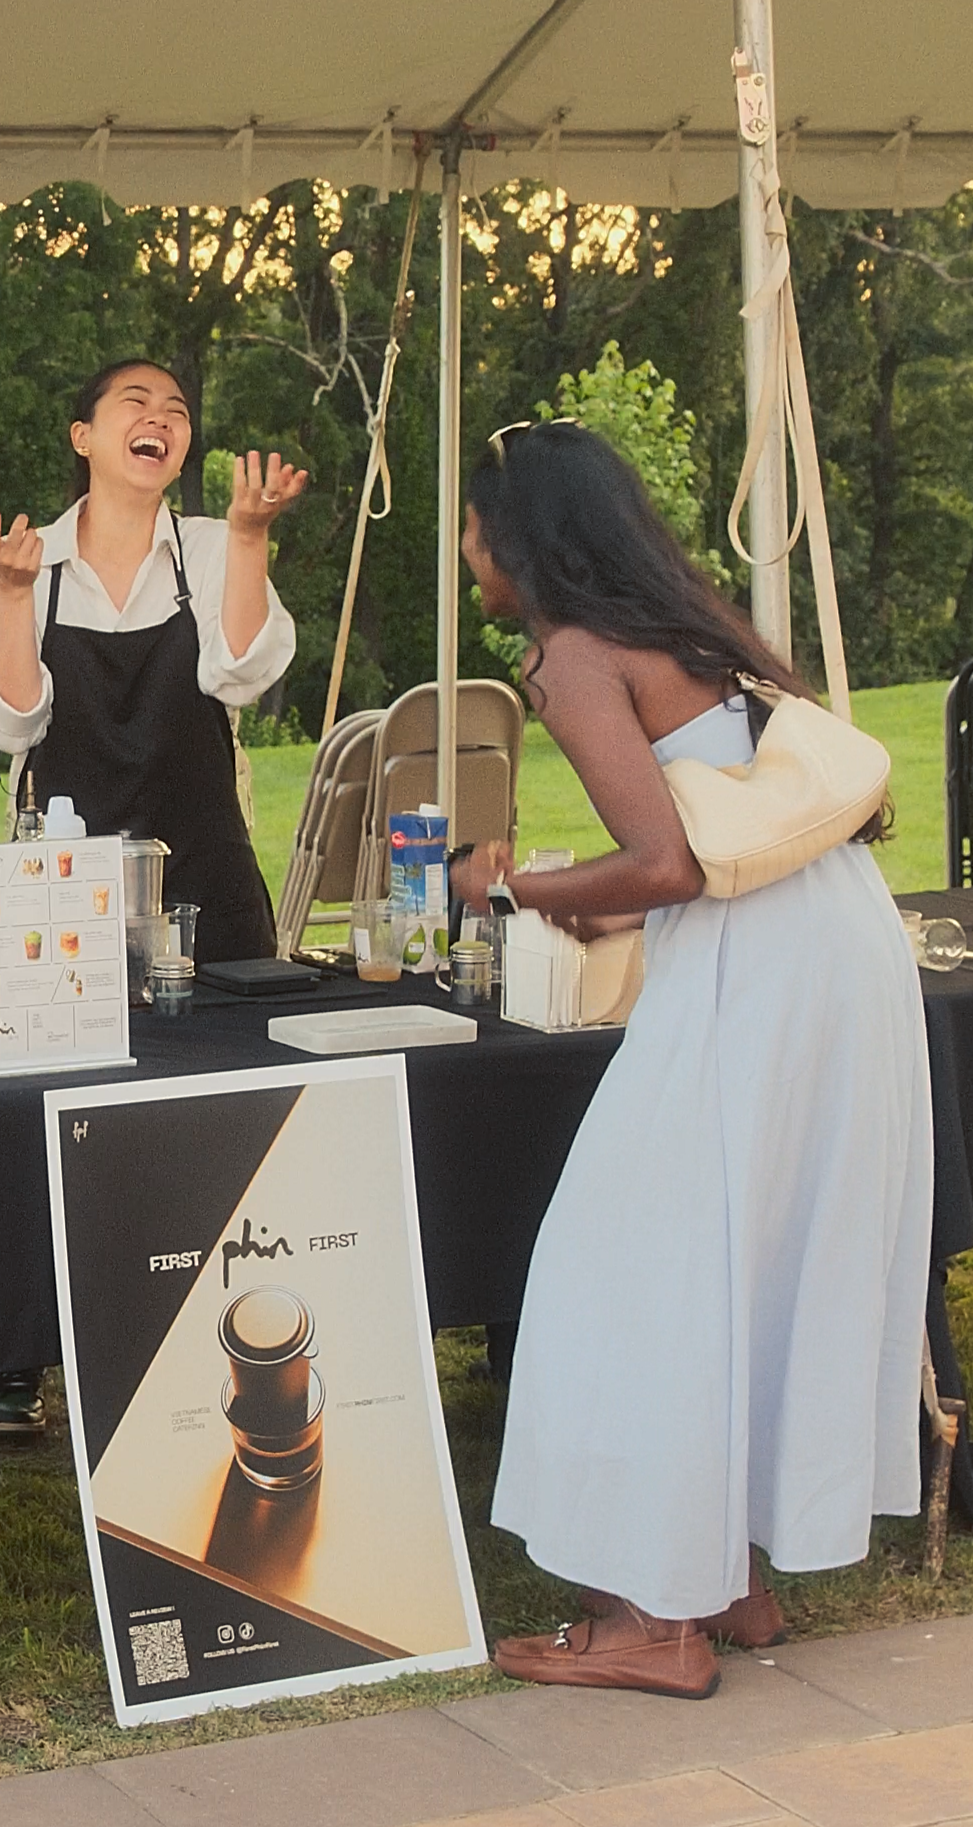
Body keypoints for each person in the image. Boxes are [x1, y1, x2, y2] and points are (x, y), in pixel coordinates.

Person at [450, 420, 932, 1699]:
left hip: (756, 972)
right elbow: (702, 847)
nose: (463, 553)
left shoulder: (568, 657)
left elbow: (664, 862)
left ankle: (647, 1621)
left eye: (470, 527)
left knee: (621, 1277)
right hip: (838, 944)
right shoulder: (687, 621)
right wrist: (590, 894)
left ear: (518, 538)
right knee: (747, 1255)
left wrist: (514, 887)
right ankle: (728, 1582)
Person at [0, 358, 305, 1433]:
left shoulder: (207, 548)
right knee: (50, 1115)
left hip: (204, 871)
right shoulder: (29, 561)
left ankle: (231, 1324)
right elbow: (9, 722)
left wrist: (249, 537)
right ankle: (21, 1357)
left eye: (175, 410)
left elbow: (245, 670)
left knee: (227, 1099)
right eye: (134, 406)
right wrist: (14, 597)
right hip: (61, 891)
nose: (160, 420)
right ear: (83, 436)